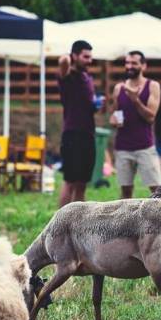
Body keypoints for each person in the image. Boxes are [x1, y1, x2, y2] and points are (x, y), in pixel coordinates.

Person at [109, 51, 161, 198]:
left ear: (143, 66)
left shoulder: (152, 86)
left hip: (145, 146)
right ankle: (127, 221)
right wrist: (113, 120)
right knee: (125, 193)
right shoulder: (119, 88)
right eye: (127, 63)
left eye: (134, 63)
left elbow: (151, 117)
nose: (129, 66)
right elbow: (114, 113)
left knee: (157, 190)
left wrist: (135, 100)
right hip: (123, 148)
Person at [57, 40, 96, 208]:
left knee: (82, 183)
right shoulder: (67, 76)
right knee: (70, 181)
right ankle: (59, 222)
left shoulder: (87, 78)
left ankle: (79, 224)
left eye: (90, 57)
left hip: (88, 134)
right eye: (85, 56)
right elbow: (62, 62)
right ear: (75, 56)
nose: (89, 60)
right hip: (72, 134)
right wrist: (68, 57)